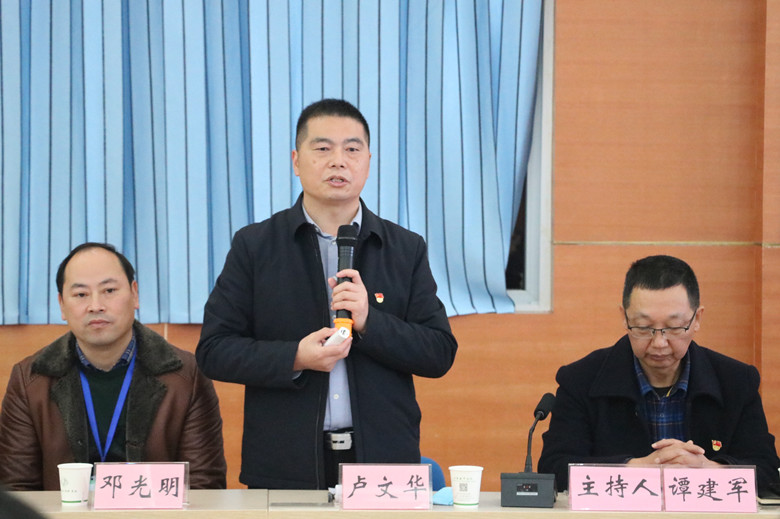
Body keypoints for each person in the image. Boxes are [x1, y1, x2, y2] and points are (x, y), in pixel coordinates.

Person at [196, 98, 458, 489]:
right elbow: (214, 350)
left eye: (352, 149)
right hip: (286, 464)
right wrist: (295, 357)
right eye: (322, 148)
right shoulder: (256, 245)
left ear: (368, 161)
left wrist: (370, 322)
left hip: (382, 463)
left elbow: (439, 352)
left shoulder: (405, 248)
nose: (338, 161)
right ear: (296, 161)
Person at [538, 255, 780, 496]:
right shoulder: (581, 379)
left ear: (697, 319)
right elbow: (554, 467)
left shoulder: (737, 380)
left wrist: (709, 469)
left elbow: (768, 470)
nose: (659, 343)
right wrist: (638, 468)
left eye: (674, 327)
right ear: (624, 318)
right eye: (644, 327)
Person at [0, 243, 227, 490]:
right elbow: (17, 488)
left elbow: (203, 485)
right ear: (62, 305)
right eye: (81, 294)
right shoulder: (30, 379)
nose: (96, 305)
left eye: (109, 290)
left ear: (134, 294)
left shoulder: (186, 375)